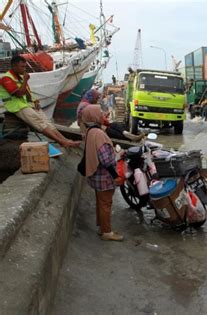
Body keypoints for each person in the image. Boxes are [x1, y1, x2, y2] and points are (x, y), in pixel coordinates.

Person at [0, 55, 80, 147]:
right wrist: (25, 80)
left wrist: (35, 101)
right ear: (14, 66)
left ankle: (65, 139)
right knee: (39, 123)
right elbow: (19, 93)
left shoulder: (20, 77)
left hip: (26, 104)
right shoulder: (6, 78)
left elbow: (27, 93)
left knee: (48, 123)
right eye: (22, 66)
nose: (24, 69)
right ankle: (62, 142)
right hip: (16, 106)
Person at [82, 105, 124, 241]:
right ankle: (107, 233)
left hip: (96, 175)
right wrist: (116, 176)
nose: (103, 115)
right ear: (94, 116)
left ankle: (102, 227)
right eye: (100, 113)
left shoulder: (91, 130)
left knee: (101, 202)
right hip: (104, 176)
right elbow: (106, 160)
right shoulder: (99, 134)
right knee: (106, 204)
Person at [77, 88, 143, 142]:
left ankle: (130, 135)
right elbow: (101, 121)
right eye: (96, 98)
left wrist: (103, 117)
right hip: (94, 129)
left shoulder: (83, 104)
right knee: (116, 132)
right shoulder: (89, 107)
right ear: (91, 97)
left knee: (115, 124)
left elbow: (95, 119)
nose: (97, 100)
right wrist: (104, 117)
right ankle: (131, 137)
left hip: (95, 127)